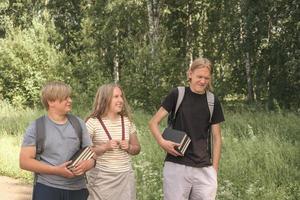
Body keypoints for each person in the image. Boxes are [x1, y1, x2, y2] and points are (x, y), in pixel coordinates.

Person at [149, 58, 225, 200]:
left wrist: (214, 170)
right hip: (176, 166)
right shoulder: (177, 94)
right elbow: (153, 122)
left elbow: (217, 138)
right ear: (190, 74)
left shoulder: (212, 101)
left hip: (204, 169)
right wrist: (162, 142)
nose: (203, 81)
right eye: (199, 76)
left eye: (206, 78)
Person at [19, 81, 96, 200]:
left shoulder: (78, 123)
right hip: (47, 189)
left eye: (70, 97)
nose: (70, 100)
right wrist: (56, 170)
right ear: (51, 102)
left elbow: (92, 155)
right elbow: (24, 162)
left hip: (78, 190)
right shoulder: (36, 127)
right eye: (65, 98)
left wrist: (88, 164)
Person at [85, 83, 141, 200]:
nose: (121, 100)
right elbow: (84, 151)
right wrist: (104, 147)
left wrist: (129, 147)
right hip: (101, 178)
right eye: (116, 97)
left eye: (121, 96)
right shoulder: (92, 122)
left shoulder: (127, 121)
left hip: (125, 176)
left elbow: (137, 148)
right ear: (105, 99)